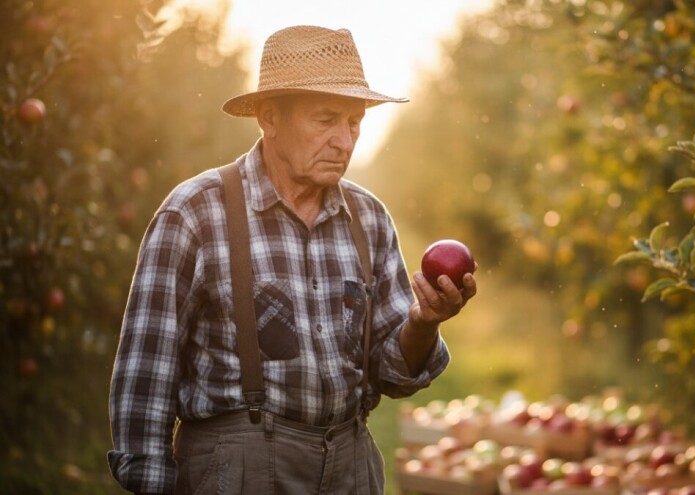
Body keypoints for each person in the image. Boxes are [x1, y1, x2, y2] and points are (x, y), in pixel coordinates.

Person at [107, 25, 477, 494]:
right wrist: (150, 482)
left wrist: (424, 323)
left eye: (355, 122)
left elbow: (393, 374)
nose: (345, 140)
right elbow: (146, 374)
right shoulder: (196, 212)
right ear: (269, 117)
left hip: (350, 465)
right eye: (326, 120)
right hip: (237, 472)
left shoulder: (369, 219)